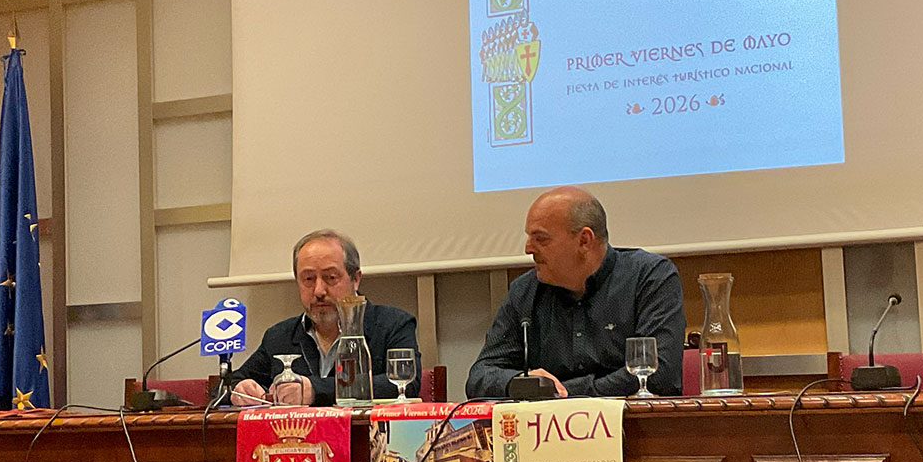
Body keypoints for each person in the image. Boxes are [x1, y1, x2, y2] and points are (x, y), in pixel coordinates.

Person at [466, 186, 684, 398]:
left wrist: (561, 392)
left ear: (584, 240)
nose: (528, 248)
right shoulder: (525, 291)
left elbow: (659, 374)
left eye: (541, 238)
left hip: (632, 420)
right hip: (546, 422)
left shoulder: (649, 277)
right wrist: (522, 382)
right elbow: (480, 376)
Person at [229, 229, 421, 406]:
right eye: (308, 279)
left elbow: (405, 386)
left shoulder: (393, 324)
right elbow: (229, 385)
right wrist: (240, 389)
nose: (319, 291)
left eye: (330, 278)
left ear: (355, 279)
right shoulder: (279, 336)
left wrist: (316, 390)